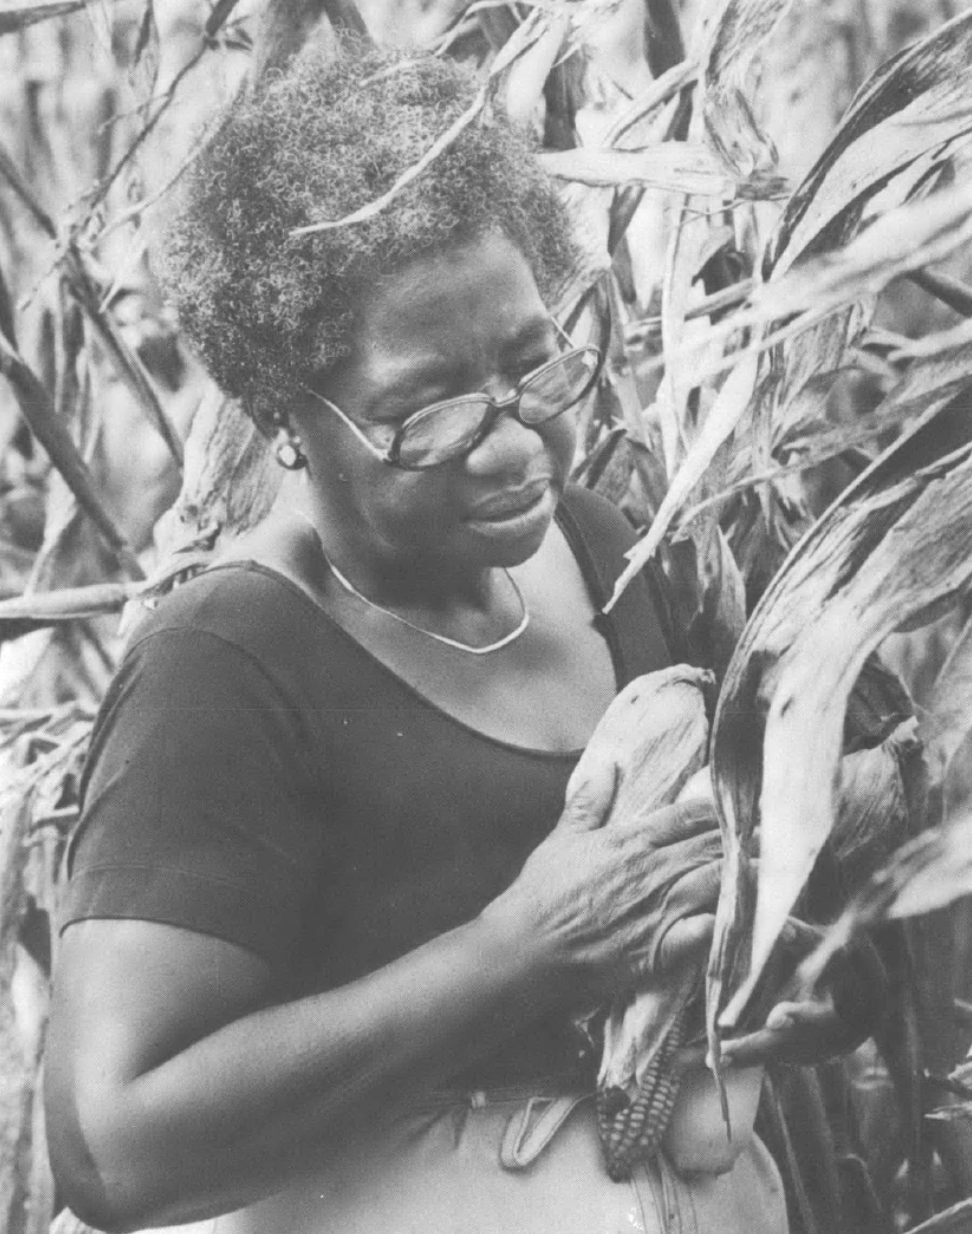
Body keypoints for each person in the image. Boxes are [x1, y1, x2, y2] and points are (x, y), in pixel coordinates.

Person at [44, 36, 875, 1234]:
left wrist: (781, 977)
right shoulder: (224, 663)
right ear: (286, 410)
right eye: (423, 410)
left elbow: (766, 904)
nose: (512, 445)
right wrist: (524, 950)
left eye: (535, 368)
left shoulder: (605, 550)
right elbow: (114, 1150)